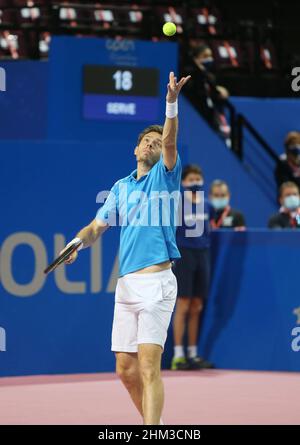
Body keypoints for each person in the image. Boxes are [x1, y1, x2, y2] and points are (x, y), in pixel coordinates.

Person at [59, 72, 191, 425]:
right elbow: (96, 227)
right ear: (135, 149)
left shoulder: (166, 173)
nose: (152, 143)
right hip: (127, 286)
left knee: (149, 366)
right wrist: (77, 243)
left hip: (157, 283)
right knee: (125, 369)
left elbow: (171, 142)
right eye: (145, 141)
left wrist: (171, 103)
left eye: (156, 140)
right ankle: (155, 425)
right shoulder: (119, 188)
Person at [171, 164, 214, 370]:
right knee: (184, 304)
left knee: (197, 305)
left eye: (198, 178)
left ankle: (193, 353)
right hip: (184, 254)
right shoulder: (178, 204)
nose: (195, 182)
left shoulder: (207, 205)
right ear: (183, 182)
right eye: (190, 179)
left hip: (203, 255)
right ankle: (178, 355)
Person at [181, 43, 230, 144]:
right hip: (195, 116)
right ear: (195, 59)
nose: (209, 59)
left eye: (210, 56)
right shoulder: (189, 75)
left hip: (210, 115)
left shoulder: (210, 77)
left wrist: (220, 91)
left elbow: (214, 93)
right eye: (205, 56)